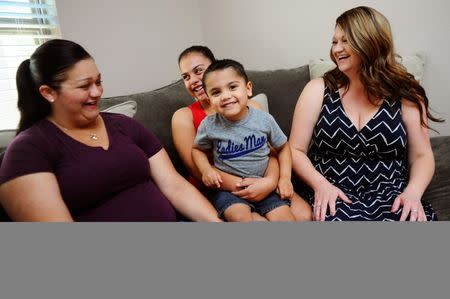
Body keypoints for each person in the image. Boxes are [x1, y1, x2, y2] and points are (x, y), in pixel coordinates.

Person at [0, 39, 222, 222]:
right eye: (84, 86)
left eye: (98, 81)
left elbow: (175, 186)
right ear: (48, 92)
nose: (97, 92)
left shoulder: (124, 125)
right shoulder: (27, 151)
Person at [289, 6, 442, 221]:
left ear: (369, 41)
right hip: (331, 192)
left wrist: (413, 193)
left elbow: (422, 155)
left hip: (391, 194)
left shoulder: (406, 94)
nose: (336, 49)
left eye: (345, 41)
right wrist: (321, 186)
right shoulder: (317, 89)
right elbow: (295, 150)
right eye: (334, 42)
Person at [172, 46, 312, 221]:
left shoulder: (254, 111)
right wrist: (247, 187)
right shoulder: (187, 118)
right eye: (186, 77)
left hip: (263, 180)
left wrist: (270, 182)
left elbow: (273, 152)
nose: (193, 80)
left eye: (198, 71)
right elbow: (198, 168)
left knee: (303, 215)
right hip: (221, 188)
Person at [192, 59, 295, 221]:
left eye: (232, 87)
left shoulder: (264, 120)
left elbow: (283, 148)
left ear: (248, 89)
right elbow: (197, 149)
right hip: (230, 193)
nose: (225, 96)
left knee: (286, 219)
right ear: (209, 99)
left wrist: (285, 178)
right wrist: (206, 169)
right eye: (216, 92)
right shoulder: (209, 125)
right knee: (240, 218)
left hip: (265, 187)